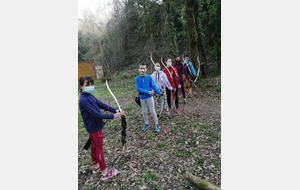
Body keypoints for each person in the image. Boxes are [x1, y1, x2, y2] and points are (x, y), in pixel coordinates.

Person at [78, 75, 124, 180]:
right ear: (81, 86)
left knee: (94, 146)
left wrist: (114, 110)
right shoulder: (84, 100)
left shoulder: (89, 96)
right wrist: (114, 116)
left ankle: (96, 166)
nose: (90, 86)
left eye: (91, 84)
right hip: (94, 128)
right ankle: (104, 172)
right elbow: (97, 115)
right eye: (87, 85)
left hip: (93, 127)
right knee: (98, 148)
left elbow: (101, 104)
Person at [135, 63, 165, 132]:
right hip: (142, 97)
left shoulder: (149, 77)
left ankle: (157, 124)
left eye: (143, 68)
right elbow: (138, 88)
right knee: (144, 111)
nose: (142, 70)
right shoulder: (137, 78)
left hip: (149, 97)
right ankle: (146, 123)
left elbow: (154, 86)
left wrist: (160, 93)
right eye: (141, 68)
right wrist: (148, 92)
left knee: (152, 111)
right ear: (138, 69)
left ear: (146, 69)